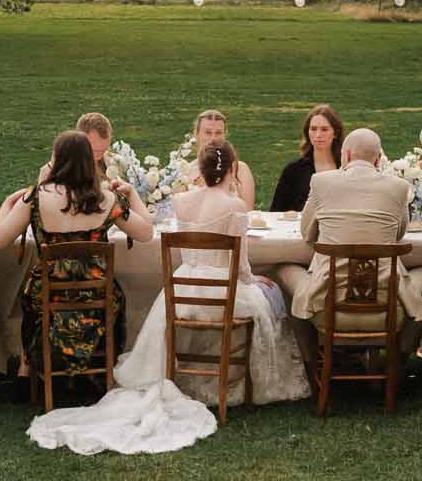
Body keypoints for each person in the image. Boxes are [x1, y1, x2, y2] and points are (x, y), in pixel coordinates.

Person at [120, 140, 308, 406]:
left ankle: (188, 374)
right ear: (232, 169)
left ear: (202, 168)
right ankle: (246, 379)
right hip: (223, 293)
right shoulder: (235, 206)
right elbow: (241, 265)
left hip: (183, 289)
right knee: (272, 292)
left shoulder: (181, 200)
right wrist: (256, 281)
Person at [0, 131, 156, 393]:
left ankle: (29, 372)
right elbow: (146, 233)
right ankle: (96, 368)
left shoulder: (36, 197)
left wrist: (6, 207)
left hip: (47, 298)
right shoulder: (105, 199)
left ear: (56, 160)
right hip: (97, 297)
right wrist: (133, 195)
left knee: (31, 294)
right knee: (115, 293)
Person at [276, 128, 422, 364]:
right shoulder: (398, 187)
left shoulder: (321, 182)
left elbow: (307, 234)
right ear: (377, 159)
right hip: (388, 309)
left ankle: (311, 363)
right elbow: (398, 234)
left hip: (326, 307)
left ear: (347, 155)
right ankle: (399, 360)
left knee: (284, 269)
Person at [269, 104, 343, 212]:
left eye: (324, 129)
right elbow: (276, 212)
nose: (318, 135)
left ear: (335, 133)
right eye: (313, 129)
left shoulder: (346, 168)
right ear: (307, 133)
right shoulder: (293, 170)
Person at [185, 109, 258, 207]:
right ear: (196, 134)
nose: (213, 139)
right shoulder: (186, 171)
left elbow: (248, 211)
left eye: (218, 133)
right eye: (208, 132)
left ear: (225, 135)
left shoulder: (240, 170)